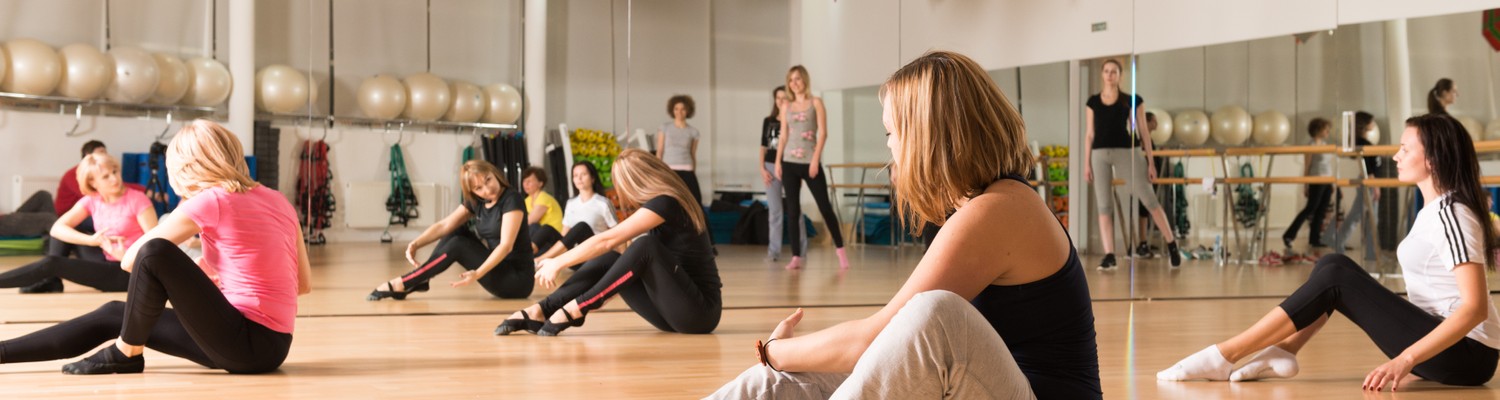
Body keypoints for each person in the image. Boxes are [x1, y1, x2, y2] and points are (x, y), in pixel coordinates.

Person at [709, 51, 1101, 399]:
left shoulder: (1001, 209)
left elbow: (876, 336)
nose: (891, 146)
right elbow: (887, 341)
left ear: (926, 135)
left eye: (892, 132)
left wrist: (775, 351)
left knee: (940, 317)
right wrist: (777, 363)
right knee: (781, 384)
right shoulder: (975, 206)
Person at [1158, 114, 1500, 392]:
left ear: (1433, 158)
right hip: (1448, 348)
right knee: (1332, 263)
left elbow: (1474, 308)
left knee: (1337, 277)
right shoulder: (1435, 210)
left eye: (1405, 148)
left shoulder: (1451, 213)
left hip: (1469, 355)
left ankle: (1225, 354)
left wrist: (1404, 360)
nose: (1395, 155)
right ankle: (1284, 350)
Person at [0, 119, 312, 375]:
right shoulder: (279, 200)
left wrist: (184, 211)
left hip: (243, 343)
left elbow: (134, 259)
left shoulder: (212, 199)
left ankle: (126, 352)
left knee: (155, 251)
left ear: (188, 166)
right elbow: (302, 285)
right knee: (114, 313)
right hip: (274, 346)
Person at [494, 149, 721, 337]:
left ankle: (577, 308)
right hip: (671, 313)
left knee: (644, 247)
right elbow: (616, 255)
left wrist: (558, 262)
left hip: (699, 314)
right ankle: (540, 311)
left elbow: (608, 239)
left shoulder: (667, 203)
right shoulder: (662, 203)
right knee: (613, 257)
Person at [368, 160, 533, 300]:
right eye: (479, 188)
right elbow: (445, 225)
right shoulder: (478, 202)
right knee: (455, 231)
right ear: (472, 192)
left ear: (494, 173)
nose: (487, 190)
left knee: (459, 245)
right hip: (498, 270)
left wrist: (477, 273)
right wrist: (416, 243)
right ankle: (422, 279)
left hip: (517, 281)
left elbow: (506, 246)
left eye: (488, 180)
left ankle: (404, 282)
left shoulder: (512, 199)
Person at [0, 154, 155, 293]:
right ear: (93, 183)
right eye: (106, 176)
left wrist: (127, 256)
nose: (114, 179)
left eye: (115, 172)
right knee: (67, 229)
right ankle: (52, 281)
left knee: (52, 263)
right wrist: (91, 240)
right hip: (104, 257)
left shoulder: (138, 199)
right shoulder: (93, 200)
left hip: (127, 270)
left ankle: (47, 277)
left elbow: (157, 245)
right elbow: (56, 229)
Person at [1085, 59, 1180, 269]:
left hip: (1127, 152)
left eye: (1114, 72)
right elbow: (1089, 134)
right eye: (1107, 71)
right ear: (1102, 75)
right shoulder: (1092, 102)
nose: (1110, 75)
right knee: (1104, 206)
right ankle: (1109, 254)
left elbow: (1144, 132)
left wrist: (1151, 162)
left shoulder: (1132, 100)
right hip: (1099, 154)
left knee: (1149, 199)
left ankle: (1172, 244)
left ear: (1120, 76)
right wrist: (1086, 164)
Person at [777, 65, 849, 270]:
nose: (794, 83)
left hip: (810, 161)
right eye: (791, 80)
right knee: (792, 210)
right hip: (789, 162)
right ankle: (796, 256)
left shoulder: (816, 103)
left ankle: (841, 251)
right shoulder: (786, 107)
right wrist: (778, 162)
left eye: (797, 79)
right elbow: (783, 136)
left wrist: (815, 159)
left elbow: (823, 133)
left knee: (825, 207)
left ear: (805, 80)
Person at [533, 161, 618, 261]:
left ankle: (538, 261)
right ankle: (526, 260)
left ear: (592, 178)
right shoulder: (571, 203)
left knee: (581, 227)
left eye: (583, 174)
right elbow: (564, 235)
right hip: (576, 256)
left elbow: (618, 233)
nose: (579, 178)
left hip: (596, 256)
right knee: (546, 229)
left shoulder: (603, 203)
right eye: (575, 175)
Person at [761, 85, 807, 261]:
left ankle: (801, 252)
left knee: (795, 210)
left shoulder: (794, 118)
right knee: (775, 211)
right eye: (777, 98)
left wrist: (799, 171)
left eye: (783, 97)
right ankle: (774, 252)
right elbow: (763, 146)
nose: (780, 101)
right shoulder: (768, 120)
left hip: (790, 166)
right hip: (770, 166)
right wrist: (762, 168)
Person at [1326, 112, 1381, 261]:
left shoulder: (1365, 142)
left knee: (1369, 219)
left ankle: (1371, 253)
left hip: (1370, 182)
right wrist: (1375, 186)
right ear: (1364, 124)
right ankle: (1338, 242)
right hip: (1368, 182)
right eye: (1372, 122)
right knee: (1358, 217)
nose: (1374, 124)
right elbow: (1369, 168)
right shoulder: (1362, 143)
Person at [1282, 118, 1334, 252]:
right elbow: (1307, 166)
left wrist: (1332, 182)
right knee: (1310, 209)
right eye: (1325, 129)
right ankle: (1289, 235)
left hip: (1327, 180)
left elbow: (1328, 165)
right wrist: (1306, 185)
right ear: (1318, 130)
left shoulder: (1325, 144)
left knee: (1321, 210)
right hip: (1316, 180)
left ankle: (1315, 239)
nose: (1328, 131)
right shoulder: (1310, 145)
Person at [658, 94, 705, 207]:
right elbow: (660, 151)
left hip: (687, 169)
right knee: (668, 201)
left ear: (688, 110)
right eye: (676, 109)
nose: (679, 112)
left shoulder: (694, 132)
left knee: (695, 201)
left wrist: (693, 171)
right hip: (668, 169)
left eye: (683, 109)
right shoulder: (665, 128)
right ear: (672, 110)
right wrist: (659, 172)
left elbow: (693, 153)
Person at [1134, 112, 1168, 258]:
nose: (1156, 124)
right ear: (1147, 122)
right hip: (1143, 179)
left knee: (1146, 211)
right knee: (1143, 210)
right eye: (1154, 121)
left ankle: (1145, 240)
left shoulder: (1149, 139)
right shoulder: (1141, 138)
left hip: (1150, 179)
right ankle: (1141, 242)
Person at [520, 166, 565, 253]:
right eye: (524, 181)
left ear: (540, 183)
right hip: (540, 239)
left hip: (553, 238)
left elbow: (529, 221)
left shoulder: (544, 197)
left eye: (529, 181)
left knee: (533, 226)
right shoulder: (527, 200)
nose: (525, 184)